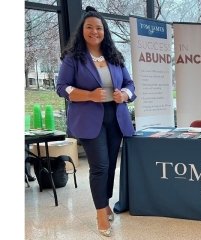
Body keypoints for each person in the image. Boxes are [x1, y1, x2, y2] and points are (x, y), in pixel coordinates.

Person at [56, 6, 136, 237]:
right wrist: (89, 95)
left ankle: (105, 201)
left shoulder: (115, 57)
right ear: (82, 30)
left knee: (111, 164)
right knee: (99, 166)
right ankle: (101, 211)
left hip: (116, 117)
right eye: (89, 27)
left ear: (105, 31)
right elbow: (62, 88)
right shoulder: (74, 58)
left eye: (99, 27)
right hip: (89, 119)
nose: (94, 31)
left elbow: (130, 85)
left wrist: (125, 95)